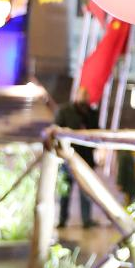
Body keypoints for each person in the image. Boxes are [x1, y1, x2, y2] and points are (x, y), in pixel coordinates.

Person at [55, 86, 98, 228]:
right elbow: (57, 130)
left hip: (86, 159)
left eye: (86, 95)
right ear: (76, 95)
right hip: (67, 158)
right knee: (65, 191)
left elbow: (96, 131)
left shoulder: (91, 113)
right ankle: (62, 219)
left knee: (86, 192)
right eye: (82, 95)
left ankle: (86, 220)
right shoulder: (64, 111)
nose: (84, 98)